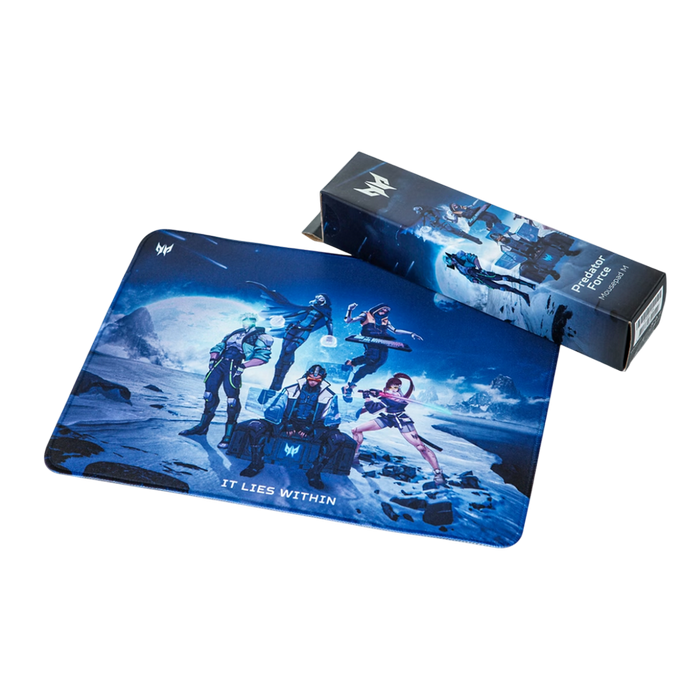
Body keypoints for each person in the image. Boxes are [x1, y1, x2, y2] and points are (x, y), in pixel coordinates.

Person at [232, 364, 354, 490]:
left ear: (322, 379)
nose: (313, 382)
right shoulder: (290, 390)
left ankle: (314, 472)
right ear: (306, 376)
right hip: (286, 422)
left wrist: (311, 428)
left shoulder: (329, 395)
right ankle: (256, 463)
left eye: (317, 380)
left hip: (315, 427)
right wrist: (287, 424)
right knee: (256, 426)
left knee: (337, 438)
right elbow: (275, 408)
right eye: (310, 378)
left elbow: (332, 418)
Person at [179, 313, 273, 448]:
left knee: (232, 400)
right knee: (209, 395)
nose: (247, 322)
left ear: (254, 321)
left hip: (234, 365)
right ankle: (202, 427)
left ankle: (228, 435)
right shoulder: (234, 333)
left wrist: (244, 365)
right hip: (220, 364)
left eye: (250, 319)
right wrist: (213, 358)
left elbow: (263, 357)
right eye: (245, 319)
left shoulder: (260, 336)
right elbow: (219, 346)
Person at [352, 373, 446, 487]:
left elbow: (373, 409)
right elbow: (381, 400)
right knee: (356, 430)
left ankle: (438, 473)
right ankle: (354, 456)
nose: (394, 390)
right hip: (387, 418)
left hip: (401, 419)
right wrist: (375, 394)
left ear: (399, 388)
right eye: (391, 387)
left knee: (420, 446)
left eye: (396, 387)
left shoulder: (396, 397)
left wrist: (367, 397)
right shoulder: (387, 396)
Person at [342, 302, 422, 400]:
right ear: (377, 309)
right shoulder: (366, 315)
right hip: (370, 339)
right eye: (382, 309)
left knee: (379, 362)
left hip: (383, 341)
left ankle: (351, 384)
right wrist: (350, 309)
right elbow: (348, 321)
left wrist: (411, 333)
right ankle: (352, 363)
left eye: (386, 311)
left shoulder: (385, 320)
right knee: (372, 357)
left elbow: (395, 331)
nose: (383, 312)